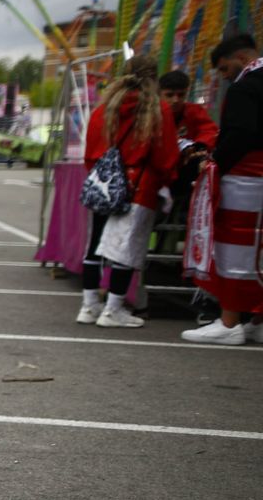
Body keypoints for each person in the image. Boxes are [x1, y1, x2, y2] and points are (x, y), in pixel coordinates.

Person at [77, 55, 179, 328]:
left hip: (105, 182)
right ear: (154, 78)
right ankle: (113, 309)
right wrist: (169, 178)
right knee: (125, 248)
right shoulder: (157, 110)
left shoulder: (105, 108)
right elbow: (165, 155)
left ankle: (88, 305)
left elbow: (91, 151)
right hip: (139, 183)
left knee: (95, 245)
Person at [182, 32, 263, 345]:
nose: (225, 77)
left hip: (245, 179)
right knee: (257, 250)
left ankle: (229, 322)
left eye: (225, 69)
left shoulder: (245, 88)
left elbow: (239, 134)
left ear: (241, 59)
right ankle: (256, 319)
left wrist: (216, 164)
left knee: (234, 246)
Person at [159, 69, 219, 191]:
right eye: (169, 95)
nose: (175, 100)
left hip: (185, 172)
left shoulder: (194, 111)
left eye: (181, 95)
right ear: (160, 94)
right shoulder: (153, 115)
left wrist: (198, 146)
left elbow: (210, 131)